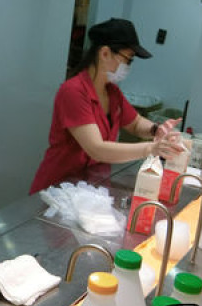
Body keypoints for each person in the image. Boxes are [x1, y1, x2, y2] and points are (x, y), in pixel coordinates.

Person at [30, 18, 183, 194]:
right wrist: (150, 148)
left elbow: (135, 123)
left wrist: (156, 130)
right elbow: (97, 149)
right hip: (58, 188)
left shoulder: (112, 92)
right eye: (128, 60)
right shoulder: (73, 92)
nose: (128, 67)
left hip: (89, 186)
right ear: (104, 53)